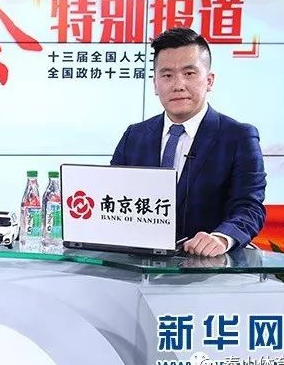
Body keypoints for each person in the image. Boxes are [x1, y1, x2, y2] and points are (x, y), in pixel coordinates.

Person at [111, 27, 266, 257]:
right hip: (136, 265)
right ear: (155, 84)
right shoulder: (134, 136)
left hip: (207, 268)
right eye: (167, 75)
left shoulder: (239, 137)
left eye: (189, 73)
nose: (178, 85)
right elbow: (112, 197)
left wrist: (222, 238)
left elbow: (250, 207)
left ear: (209, 80)